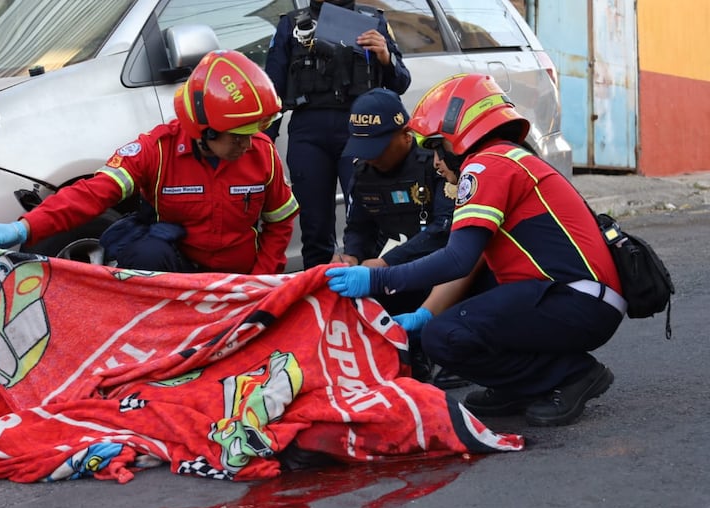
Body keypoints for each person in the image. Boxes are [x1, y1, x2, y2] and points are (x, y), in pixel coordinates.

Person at [325, 73, 626, 427]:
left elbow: (456, 258)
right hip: (579, 295)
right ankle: (520, 385)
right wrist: (423, 311)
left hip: (575, 298)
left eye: (438, 147)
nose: (436, 162)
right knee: (448, 320)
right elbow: (472, 262)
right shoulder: (505, 158)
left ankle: (572, 374)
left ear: (459, 134)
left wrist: (378, 279)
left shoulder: (486, 165)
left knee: (444, 336)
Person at [0, 50, 299, 275]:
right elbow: (91, 195)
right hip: (177, 278)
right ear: (205, 129)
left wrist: (263, 281)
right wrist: (24, 226)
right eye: (237, 136)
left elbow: (280, 223)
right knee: (144, 253)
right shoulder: (155, 151)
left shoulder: (261, 152)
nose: (247, 143)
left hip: (239, 280)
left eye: (251, 133)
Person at [334, 87, 470, 389]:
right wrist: (351, 257)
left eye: (378, 148)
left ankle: (453, 354)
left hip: (440, 273)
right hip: (389, 276)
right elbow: (358, 226)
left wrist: (385, 263)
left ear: (405, 134)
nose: (371, 158)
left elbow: (444, 230)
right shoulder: (363, 172)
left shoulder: (435, 164)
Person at [265, 0, 411, 269]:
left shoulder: (372, 20)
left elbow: (401, 82)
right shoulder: (292, 24)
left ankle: (371, 298)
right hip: (308, 134)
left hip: (361, 130)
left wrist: (386, 58)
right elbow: (271, 91)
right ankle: (318, 300)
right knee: (315, 228)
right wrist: (263, 144)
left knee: (370, 220)